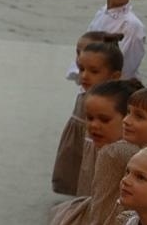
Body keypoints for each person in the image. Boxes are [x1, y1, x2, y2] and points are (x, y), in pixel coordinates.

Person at [33, 80, 139, 225]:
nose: (93, 126)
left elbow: (103, 211)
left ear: (128, 120)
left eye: (104, 119)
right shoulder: (116, 147)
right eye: (90, 118)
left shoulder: (114, 153)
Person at [51, 36, 123, 195]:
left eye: (94, 71)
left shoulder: (116, 102)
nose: (84, 76)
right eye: (81, 69)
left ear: (114, 76)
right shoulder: (85, 95)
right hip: (82, 147)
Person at [69, 0, 145, 81]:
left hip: (112, 87)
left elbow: (127, 65)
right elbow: (85, 47)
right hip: (89, 80)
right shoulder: (101, 13)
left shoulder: (131, 25)